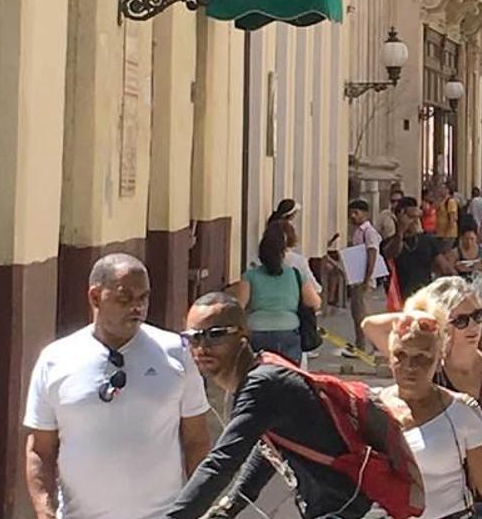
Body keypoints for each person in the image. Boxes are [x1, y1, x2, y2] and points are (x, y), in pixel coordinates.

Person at [168, 292, 421, 518]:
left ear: (243, 336)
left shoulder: (263, 384)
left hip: (353, 508)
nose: (202, 346)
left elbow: (221, 461)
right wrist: (229, 506)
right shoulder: (260, 373)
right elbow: (268, 448)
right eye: (193, 337)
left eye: (215, 335)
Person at [24, 254, 210, 519]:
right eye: (125, 298)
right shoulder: (55, 360)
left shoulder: (176, 353)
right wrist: (45, 511)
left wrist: (198, 507)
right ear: (95, 297)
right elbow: (40, 448)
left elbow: (196, 439)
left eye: (143, 298)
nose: (137, 307)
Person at [362, 278, 482, 519]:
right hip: (448, 504)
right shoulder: (427, 366)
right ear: (443, 325)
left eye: (478, 316)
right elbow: (370, 326)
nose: (473, 326)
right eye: (461, 320)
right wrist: (421, 316)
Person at [376, 313, 482, 519]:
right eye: (400, 355)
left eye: (421, 358)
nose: (409, 367)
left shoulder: (461, 412)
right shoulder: (369, 406)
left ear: (439, 359)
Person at [232, 222, 321, 364]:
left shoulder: (250, 276)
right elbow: (314, 303)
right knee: (288, 375)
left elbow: (238, 307)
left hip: (257, 331)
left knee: (258, 375)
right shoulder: (295, 275)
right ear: (283, 253)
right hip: (288, 330)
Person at [384, 196, 453, 302]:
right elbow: (391, 254)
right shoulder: (390, 242)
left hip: (424, 297)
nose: (416, 221)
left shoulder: (427, 240)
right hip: (399, 299)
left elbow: (444, 268)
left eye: (417, 217)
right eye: (411, 217)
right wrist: (401, 231)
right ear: (400, 216)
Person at [347, 199, 382, 356]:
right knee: (357, 312)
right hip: (356, 277)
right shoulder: (357, 232)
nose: (353, 216)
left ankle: (365, 346)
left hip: (363, 279)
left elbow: (372, 253)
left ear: (365, 214)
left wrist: (367, 278)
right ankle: (361, 344)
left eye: (356, 213)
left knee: (362, 313)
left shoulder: (369, 232)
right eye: (351, 213)